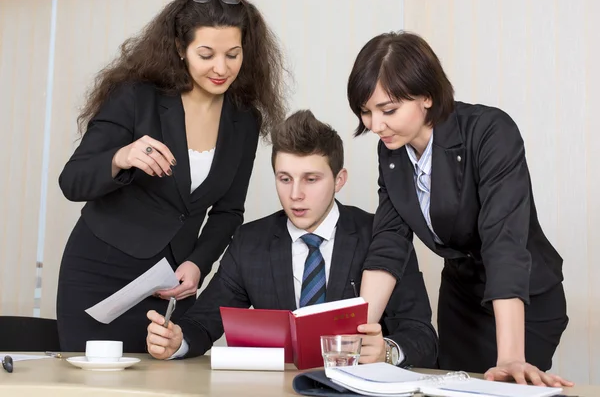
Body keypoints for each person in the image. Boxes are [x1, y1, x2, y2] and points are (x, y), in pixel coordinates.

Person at [56, 0, 286, 353]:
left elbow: (228, 212)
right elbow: (72, 180)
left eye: (233, 54)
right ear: (181, 48)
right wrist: (122, 156)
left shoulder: (245, 120)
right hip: (99, 276)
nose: (221, 68)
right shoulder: (136, 98)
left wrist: (197, 263)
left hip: (169, 287)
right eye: (206, 55)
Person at [346, 31, 572, 387]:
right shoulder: (391, 151)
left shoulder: (490, 132)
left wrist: (511, 355)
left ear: (427, 97)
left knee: (504, 388)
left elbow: (504, 242)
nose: (375, 126)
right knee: (450, 387)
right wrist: (354, 338)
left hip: (522, 300)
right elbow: (389, 242)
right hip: (462, 297)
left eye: (388, 110)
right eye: (365, 112)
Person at [145, 110, 438, 368]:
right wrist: (176, 342)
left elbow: (421, 335)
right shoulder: (250, 242)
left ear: (339, 180)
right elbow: (203, 321)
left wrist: (386, 351)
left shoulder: (382, 236)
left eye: (311, 179)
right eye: (284, 179)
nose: (295, 194)